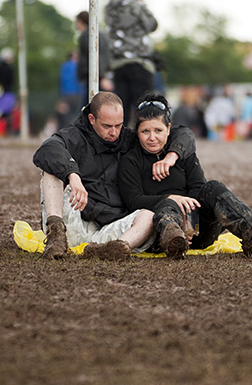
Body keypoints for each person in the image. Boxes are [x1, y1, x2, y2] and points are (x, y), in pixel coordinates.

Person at [32, 91, 197, 261]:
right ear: (91, 119)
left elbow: (184, 134)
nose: (114, 132)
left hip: (111, 229)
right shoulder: (73, 135)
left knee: (148, 215)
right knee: (51, 169)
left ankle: (117, 248)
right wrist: (72, 174)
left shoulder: (128, 138)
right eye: (107, 126)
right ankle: (55, 234)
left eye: (118, 125)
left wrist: (171, 156)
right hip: (75, 221)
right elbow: (47, 149)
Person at [118, 92, 252, 260]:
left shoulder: (182, 153)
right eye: (145, 131)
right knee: (167, 205)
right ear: (137, 132)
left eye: (158, 130)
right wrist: (172, 198)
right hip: (158, 231)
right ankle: (175, 242)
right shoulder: (130, 160)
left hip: (196, 228)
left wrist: (190, 224)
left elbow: (198, 187)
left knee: (213, 187)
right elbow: (133, 200)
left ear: (168, 130)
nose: (152, 137)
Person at [104, 0, 158, 126]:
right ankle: (145, 142)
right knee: (145, 107)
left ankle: (122, 143)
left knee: (123, 106)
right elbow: (152, 25)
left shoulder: (110, 7)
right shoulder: (136, 5)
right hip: (139, 61)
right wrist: (142, 2)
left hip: (118, 63)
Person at [75, 11, 113, 108]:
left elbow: (95, 56)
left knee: (88, 109)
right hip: (102, 76)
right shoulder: (103, 34)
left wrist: (102, 76)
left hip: (94, 77)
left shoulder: (87, 36)